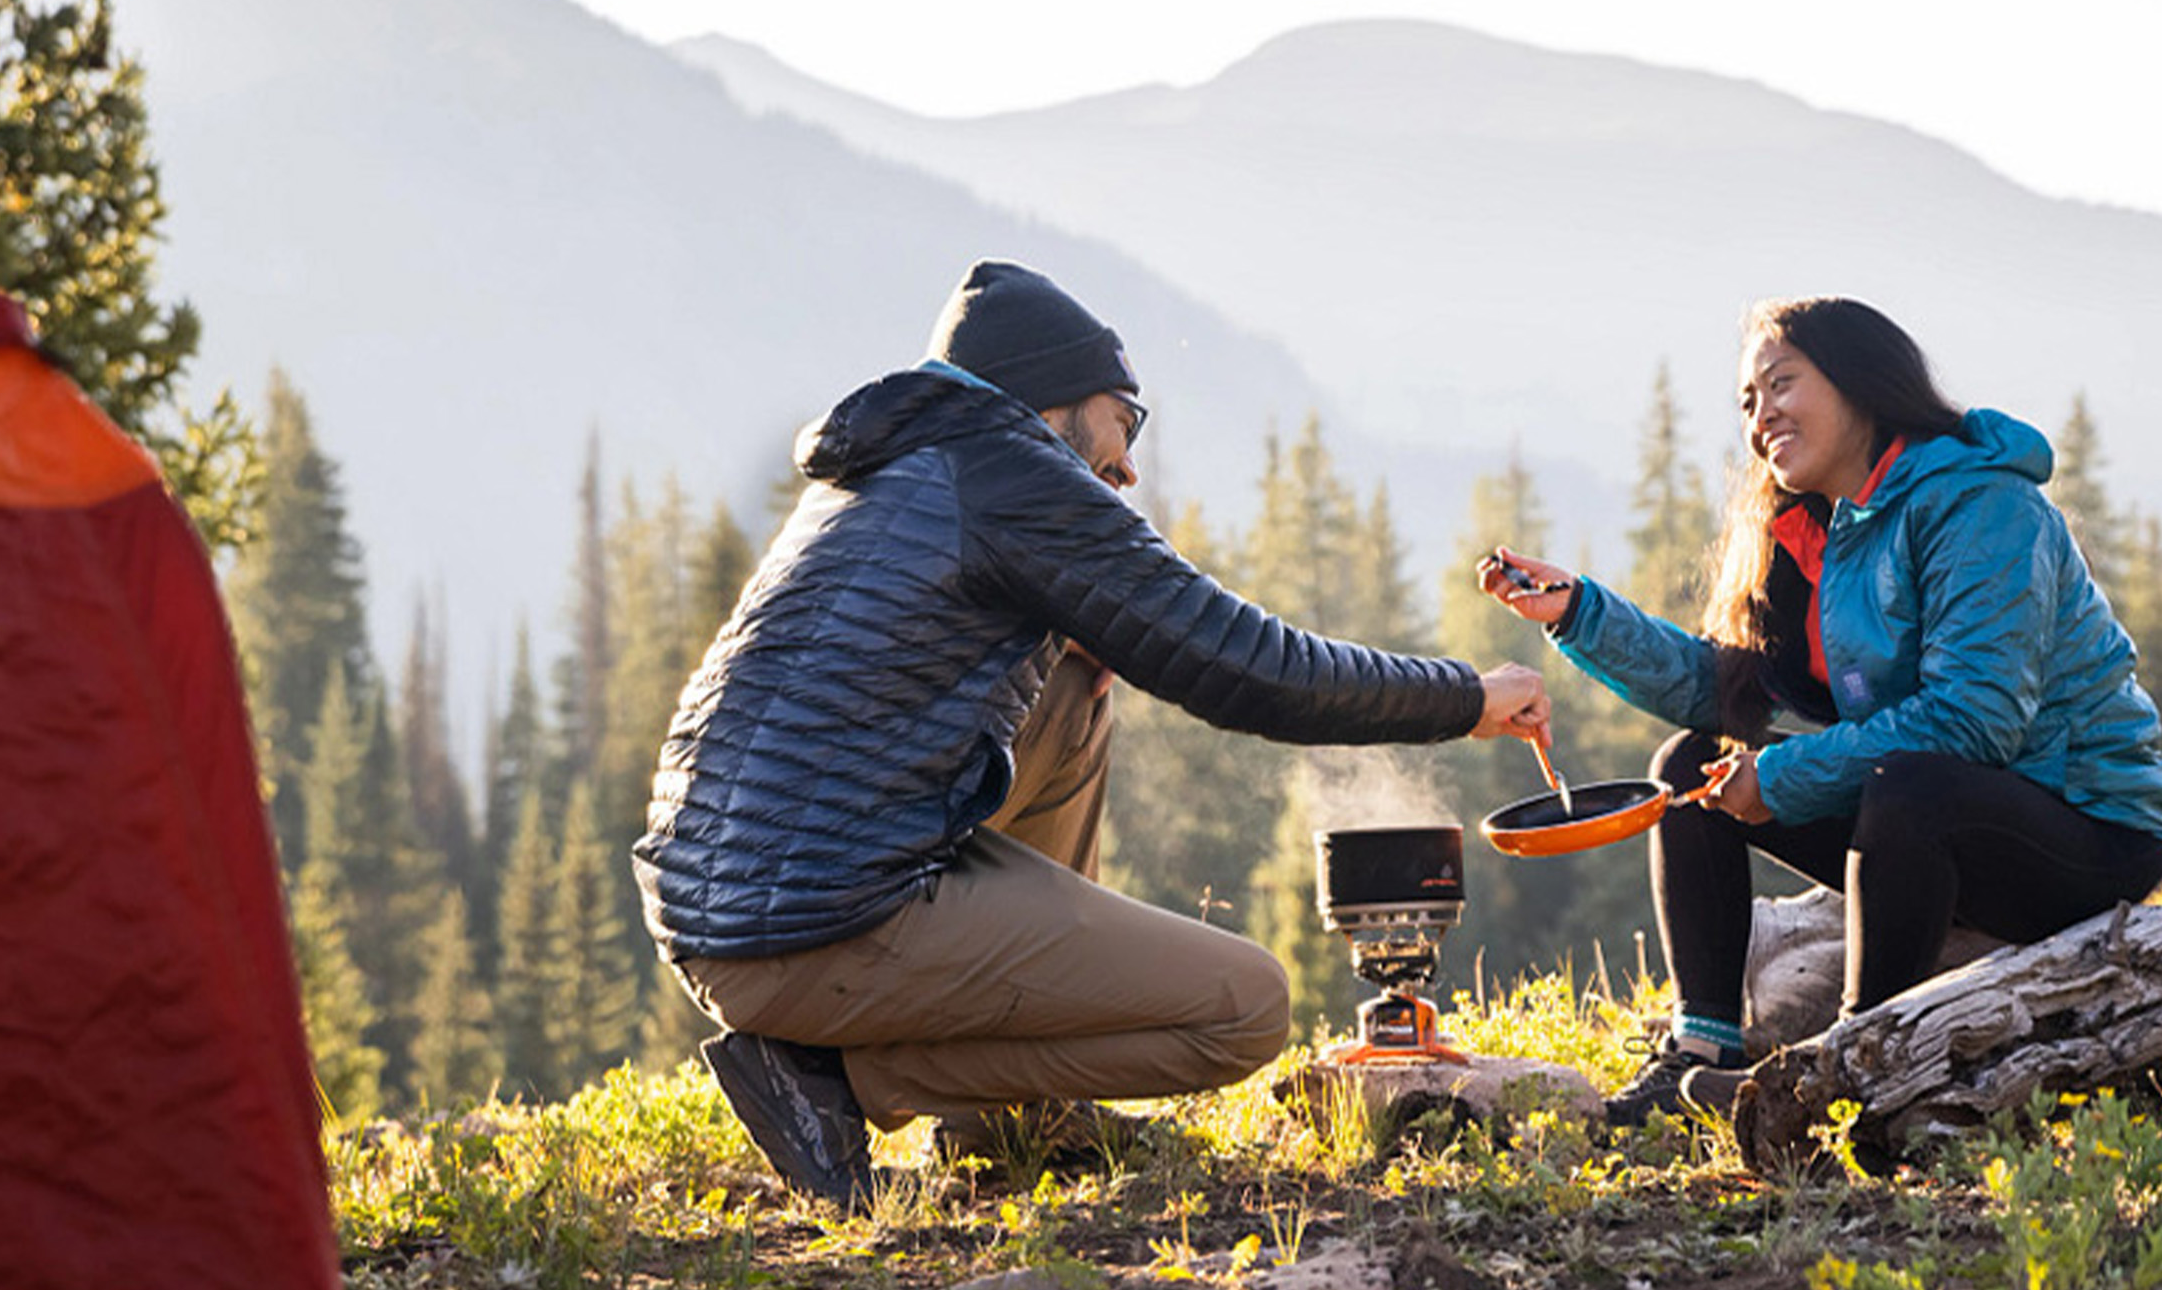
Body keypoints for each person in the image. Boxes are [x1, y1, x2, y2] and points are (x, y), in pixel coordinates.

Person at [635, 260, 1549, 1203]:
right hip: (812, 925)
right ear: (1055, 399)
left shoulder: (893, 474)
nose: (1129, 461)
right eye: (1125, 419)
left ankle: (1006, 1120)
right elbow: (1253, 667)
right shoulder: (1018, 476)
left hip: (726, 905)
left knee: (1075, 689)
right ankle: (840, 1081)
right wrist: (1465, 697)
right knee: (1244, 1011)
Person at [1480, 296, 2162, 1126]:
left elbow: (1976, 721)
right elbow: (1725, 690)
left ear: (1860, 383)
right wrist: (1580, 613)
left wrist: (1783, 775)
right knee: (1693, 766)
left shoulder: (1982, 506)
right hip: (1932, 810)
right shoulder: (1820, 531)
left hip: (2087, 831)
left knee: (1909, 788)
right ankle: (1701, 1052)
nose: (1761, 417)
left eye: (1781, 385)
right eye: (1746, 401)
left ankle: (1847, 1074)